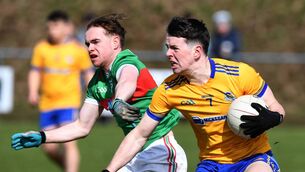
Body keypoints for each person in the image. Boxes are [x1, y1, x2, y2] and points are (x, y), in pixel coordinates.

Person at [100, 16, 285, 172]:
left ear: (197, 51)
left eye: (174, 48)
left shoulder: (239, 74)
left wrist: (272, 118)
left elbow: (277, 107)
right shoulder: (169, 89)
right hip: (211, 164)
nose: (168, 54)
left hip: (254, 159)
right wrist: (109, 170)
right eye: (167, 47)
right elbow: (139, 135)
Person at [11, 14, 187, 172]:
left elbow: (127, 79)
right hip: (132, 154)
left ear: (115, 42)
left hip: (160, 152)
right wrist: (42, 136)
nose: (89, 48)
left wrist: (118, 101)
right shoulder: (97, 83)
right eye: (87, 44)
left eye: (95, 42)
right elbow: (81, 126)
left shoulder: (126, 61)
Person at [26, 10, 94, 172]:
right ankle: (68, 168)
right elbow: (35, 71)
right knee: (48, 147)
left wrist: (94, 95)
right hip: (47, 103)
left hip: (68, 102)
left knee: (69, 143)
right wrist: (32, 91)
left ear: (66, 27)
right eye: (49, 27)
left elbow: (88, 73)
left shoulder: (78, 50)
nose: (51, 30)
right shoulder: (41, 48)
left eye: (55, 26)